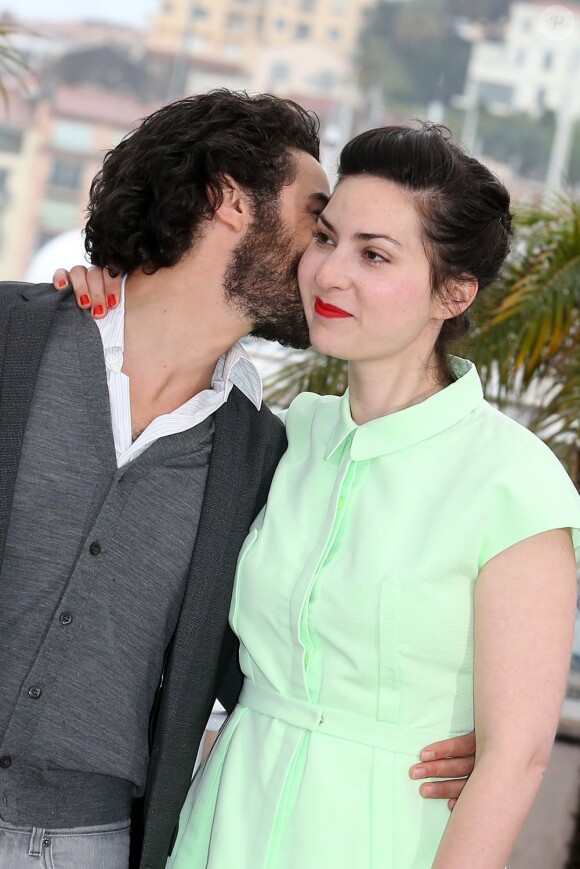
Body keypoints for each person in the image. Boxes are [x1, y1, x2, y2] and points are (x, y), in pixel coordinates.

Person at [0, 93, 470, 869]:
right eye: (318, 225)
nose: (327, 260)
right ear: (226, 199)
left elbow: (284, 649)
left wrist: (455, 725)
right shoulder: (18, 337)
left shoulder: (263, 456)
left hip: (81, 843)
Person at [157, 124, 579, 868]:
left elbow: (516, 760)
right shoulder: (283, 440)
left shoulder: (514, 480)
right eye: (326, 238)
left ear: (453, 292)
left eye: (375, 254)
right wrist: (93, 305)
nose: (329, 273)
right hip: (221, 829)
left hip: (383, 839)